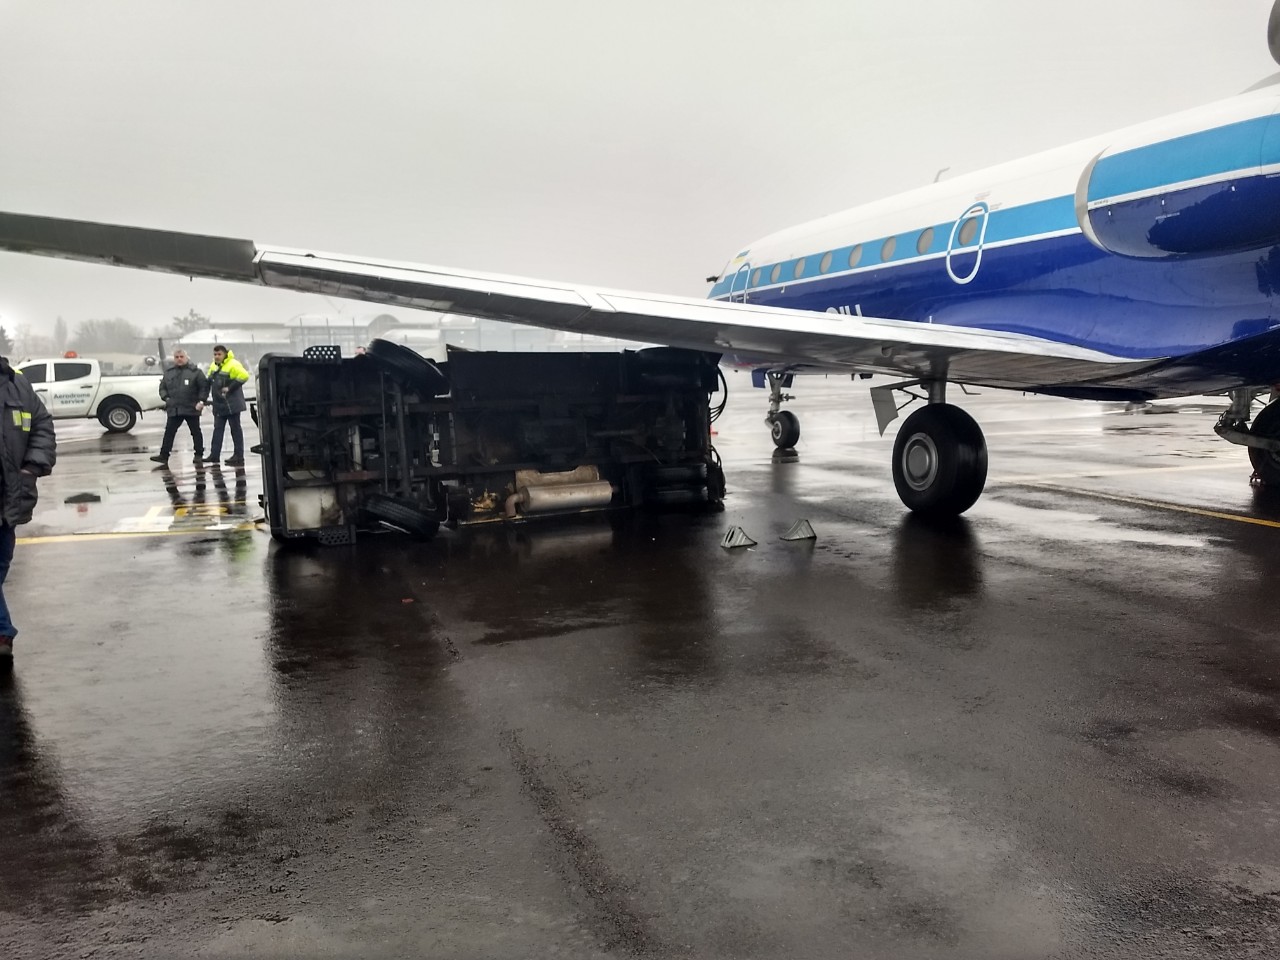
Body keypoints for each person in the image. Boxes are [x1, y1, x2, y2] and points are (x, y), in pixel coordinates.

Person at [0, 356, 57, 671]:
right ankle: (3, 633)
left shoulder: (17, 384)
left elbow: (41, 425)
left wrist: (31, 467)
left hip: (9, 498)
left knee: (1, 564)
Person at [150, 349, 208, 465]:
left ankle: (199, 454)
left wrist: (201, 401)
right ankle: (164, 455)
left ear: (187, 358)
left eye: (182, 357)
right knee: (169, 432)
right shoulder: (169, 372)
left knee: (195, 432)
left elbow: (204, 388)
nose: (179, 359)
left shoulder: (196, 372)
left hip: (191, 407)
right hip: (174, 408)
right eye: (177, 357)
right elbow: (162, 387)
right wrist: (166, 398)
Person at [205, 345, 251, 467]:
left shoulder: (233, 364)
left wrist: (230, 388)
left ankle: (238, 455)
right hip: (219, 404)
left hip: (232, 404)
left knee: (235, 429)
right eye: (215, 354)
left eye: (219, 354)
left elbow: (244, 376)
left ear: (225, 354)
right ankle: (214, 455)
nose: (217, 357)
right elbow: (208, 380)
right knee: (218, 429)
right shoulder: (214, 366)